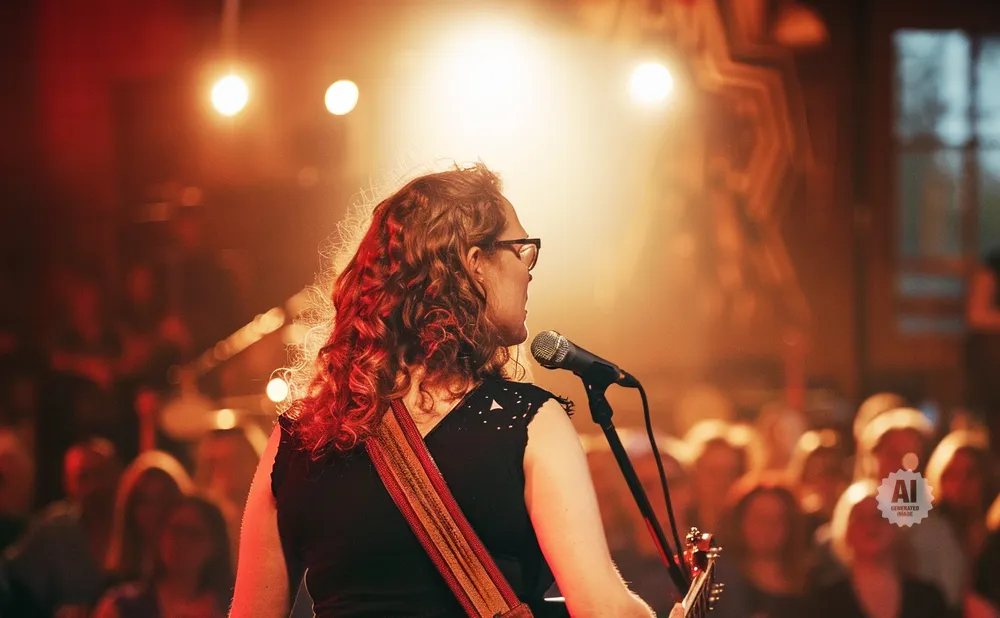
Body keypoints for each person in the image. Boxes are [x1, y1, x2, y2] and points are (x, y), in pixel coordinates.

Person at [230, 164, 682, 617]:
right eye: (520, 249)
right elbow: (602, 609)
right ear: (474, 264)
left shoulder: (301, 438)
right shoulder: (527, 423)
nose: (529, 272)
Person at [807, 480, 948, 618]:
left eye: (880, 516)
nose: (870, 526)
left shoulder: (927, 598)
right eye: (860, 518)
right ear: (846, 531)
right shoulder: (826, 601)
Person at [94, 496, 233, 618]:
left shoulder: (229, 608)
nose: (181, 542)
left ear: (214, 546)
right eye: (176, 530)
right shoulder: (120, 606)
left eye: (194, 534)